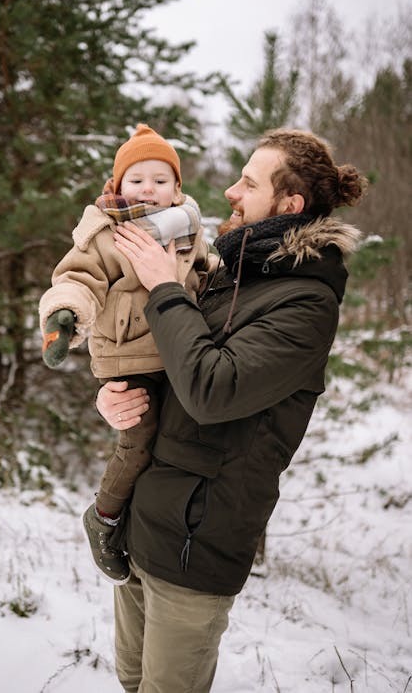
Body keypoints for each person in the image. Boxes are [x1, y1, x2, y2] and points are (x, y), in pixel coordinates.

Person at [96, 128, 368, 693]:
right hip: (147, 521)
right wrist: (116, 396)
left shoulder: (306, 302)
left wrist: (161, 288)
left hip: (198, 546)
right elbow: (170, 359)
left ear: (289, 205)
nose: (229, 190)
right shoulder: (232, 273)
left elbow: (212, 391)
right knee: (129, 678)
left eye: (248, 182)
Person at [38, 124, 211, 585]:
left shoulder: (190, 231)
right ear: (117, 186)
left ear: (177, 189)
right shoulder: (106, 233)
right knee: (138, 443)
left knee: (173, 446)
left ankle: (145, 526)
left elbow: (206, 271)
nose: (148, 189)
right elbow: (78, 278)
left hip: (177, 352)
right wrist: (64, 315)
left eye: (160, 179)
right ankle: (105, 517)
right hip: (125, 357)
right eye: (136, 179)